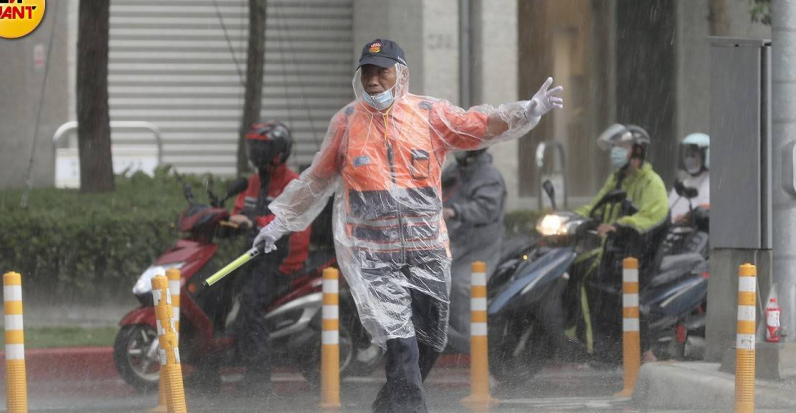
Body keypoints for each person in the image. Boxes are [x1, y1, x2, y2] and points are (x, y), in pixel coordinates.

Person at [250, 39, 563, 412]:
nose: (374, 81)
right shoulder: (347, 122)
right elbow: (316, 180)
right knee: (400, 339)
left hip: (426, 252)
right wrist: (279, 222)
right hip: (373, 258)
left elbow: (478, 125)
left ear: (401, 74)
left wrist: (527, 111)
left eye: (382, 71)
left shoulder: (429, 115)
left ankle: (388, 406)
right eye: (367, 72)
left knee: (431, 340)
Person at [570, 123, 669, 362]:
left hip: (641, 252)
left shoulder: (651, 182)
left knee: (626, 294)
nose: (615, 151)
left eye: (621, 146)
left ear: (637, 150)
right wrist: (572, 218)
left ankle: (646, 353)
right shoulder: (616, 179)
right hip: (615, 250)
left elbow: (652, 215)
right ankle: (599, 347)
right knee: (586, 279)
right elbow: (597, 205)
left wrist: (619, 225)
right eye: (614, 147)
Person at [228, 121, 311, 393]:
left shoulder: (292, 183)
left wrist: (252, 223)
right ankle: (210, 363)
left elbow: (286, 221)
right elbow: (239, 210)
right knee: (219, 295)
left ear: (279, 152)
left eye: (263, 148)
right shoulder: (252, 182)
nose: (256, 154)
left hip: (282, 260)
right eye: (254, 147)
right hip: (254, 256)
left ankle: (258, 376)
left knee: (251, 303)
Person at [441, 148, 507, 353]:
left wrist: (455, 211)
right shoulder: (455, 171)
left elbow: (486, 209)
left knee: (459, 285)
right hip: (454, 242)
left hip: (479, 248)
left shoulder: (489, 176)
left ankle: (469, 343)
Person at [668, 133, 710, 223]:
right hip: (675, 235)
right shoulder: (682, 185)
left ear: (705, 156)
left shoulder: (710, 184)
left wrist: (687, 218)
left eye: (693, 155)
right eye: (687, 154)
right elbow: (668, 211)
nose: (689, 158)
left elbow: (706, 211)